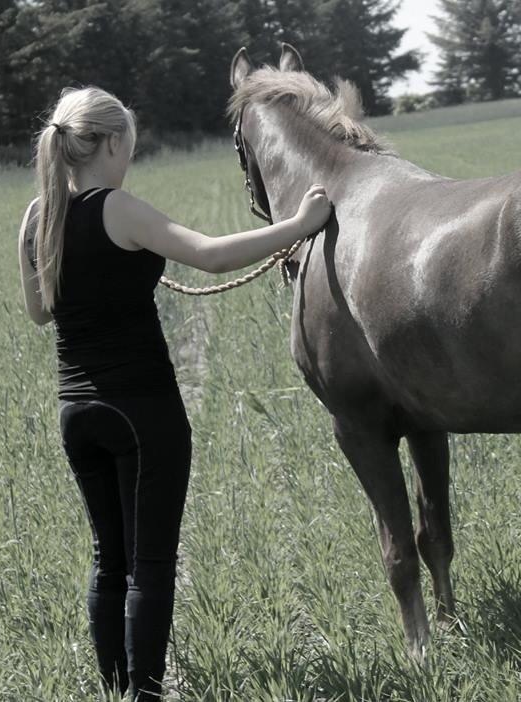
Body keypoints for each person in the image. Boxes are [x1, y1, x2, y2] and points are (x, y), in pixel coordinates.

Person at [17, 86, 330, 699]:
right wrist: (298, 226)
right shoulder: (117, 207)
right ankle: (146, 694)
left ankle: (115, 689)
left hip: (76, 412)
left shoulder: (37, 215)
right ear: (112, 143)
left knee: (109, 558)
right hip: (143, 413)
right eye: (130, 145)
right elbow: (210, 256)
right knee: (151, 563)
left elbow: (39, 311)